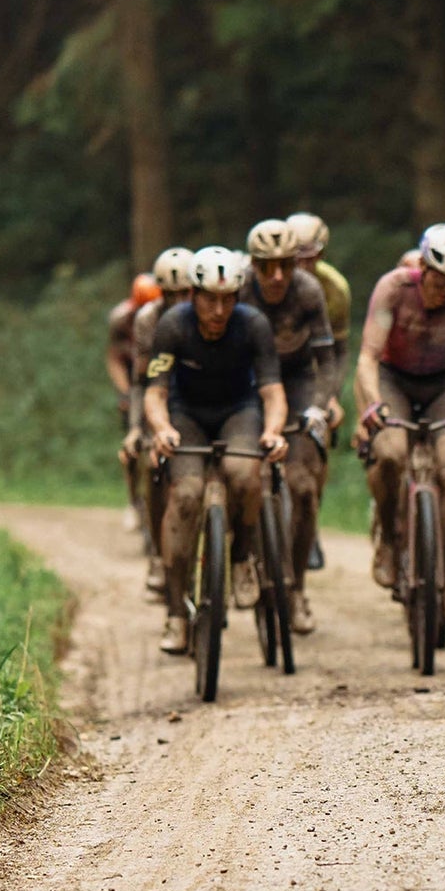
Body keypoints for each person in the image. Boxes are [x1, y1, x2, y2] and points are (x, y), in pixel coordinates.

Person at [144, 247, 288, 656]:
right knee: (186, 496)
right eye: (210, 298)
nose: (220, 309)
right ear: (193, 294)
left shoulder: (254, 325)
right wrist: (162, 428)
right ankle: (175, 613)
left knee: (244, 474)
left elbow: (272, 391)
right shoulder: (173, 326)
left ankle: (241, 557)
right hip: (185, 414)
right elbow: (155, 392)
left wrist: (274, 431)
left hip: (238, 410)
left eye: (229, 299)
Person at [354, 223, 445, 628]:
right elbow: (367, 355)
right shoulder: (394, 289)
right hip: (394, 378)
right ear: (423, 269)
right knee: (390, 453)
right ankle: (387, 535)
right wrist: (374, 403)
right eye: (438, 280)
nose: (444, 290)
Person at [240, 219, 337, 634]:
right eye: (267, 267)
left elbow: (327, 360)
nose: (276, 276)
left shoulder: (309, 291)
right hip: (245, 382)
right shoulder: (239, 289)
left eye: (285, 265)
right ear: (254, 266)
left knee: (303, 487)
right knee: (238, 472)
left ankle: (296, 588)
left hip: (296, 381)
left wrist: (319, 406)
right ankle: (241, 556)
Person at [123, 247, 194, 596]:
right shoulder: (147, 320)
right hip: (161, 397)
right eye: (172, 294)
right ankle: (156, 551)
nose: (180, 300)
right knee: (153, 466)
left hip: (200, 399)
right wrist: (138, 427)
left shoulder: (210, 313)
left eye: (187, 293)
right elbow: (143, 380)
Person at [285, 212, 351, 427]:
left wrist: (331, 396)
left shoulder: (335, 289)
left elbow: (338, 350)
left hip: (312, 372)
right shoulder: (269, 282)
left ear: (321, 254)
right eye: (295, 261)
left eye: (309, 259)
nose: (302, 268)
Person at [108, 273, 161, 530]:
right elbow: (114, 359)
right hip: (135, 381)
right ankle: (132, 500)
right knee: (131, 443)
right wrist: (125, 392)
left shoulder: (165, 317)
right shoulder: (120, 320)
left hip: (161, 378)